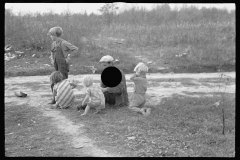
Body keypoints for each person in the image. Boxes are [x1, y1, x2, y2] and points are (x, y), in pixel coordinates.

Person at [47, 26, 78, 104]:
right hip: (56, 65)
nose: (50, 36)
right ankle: (55, 99)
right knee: (55, 81)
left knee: (63, 82)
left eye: (51, 35)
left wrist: (68, 58)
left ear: (55, 35)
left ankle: (64, 99)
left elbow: (75, 49)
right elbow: (52, 52)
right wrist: (52, 58)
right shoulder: (53, 43)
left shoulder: (64, 43)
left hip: (63, 66)